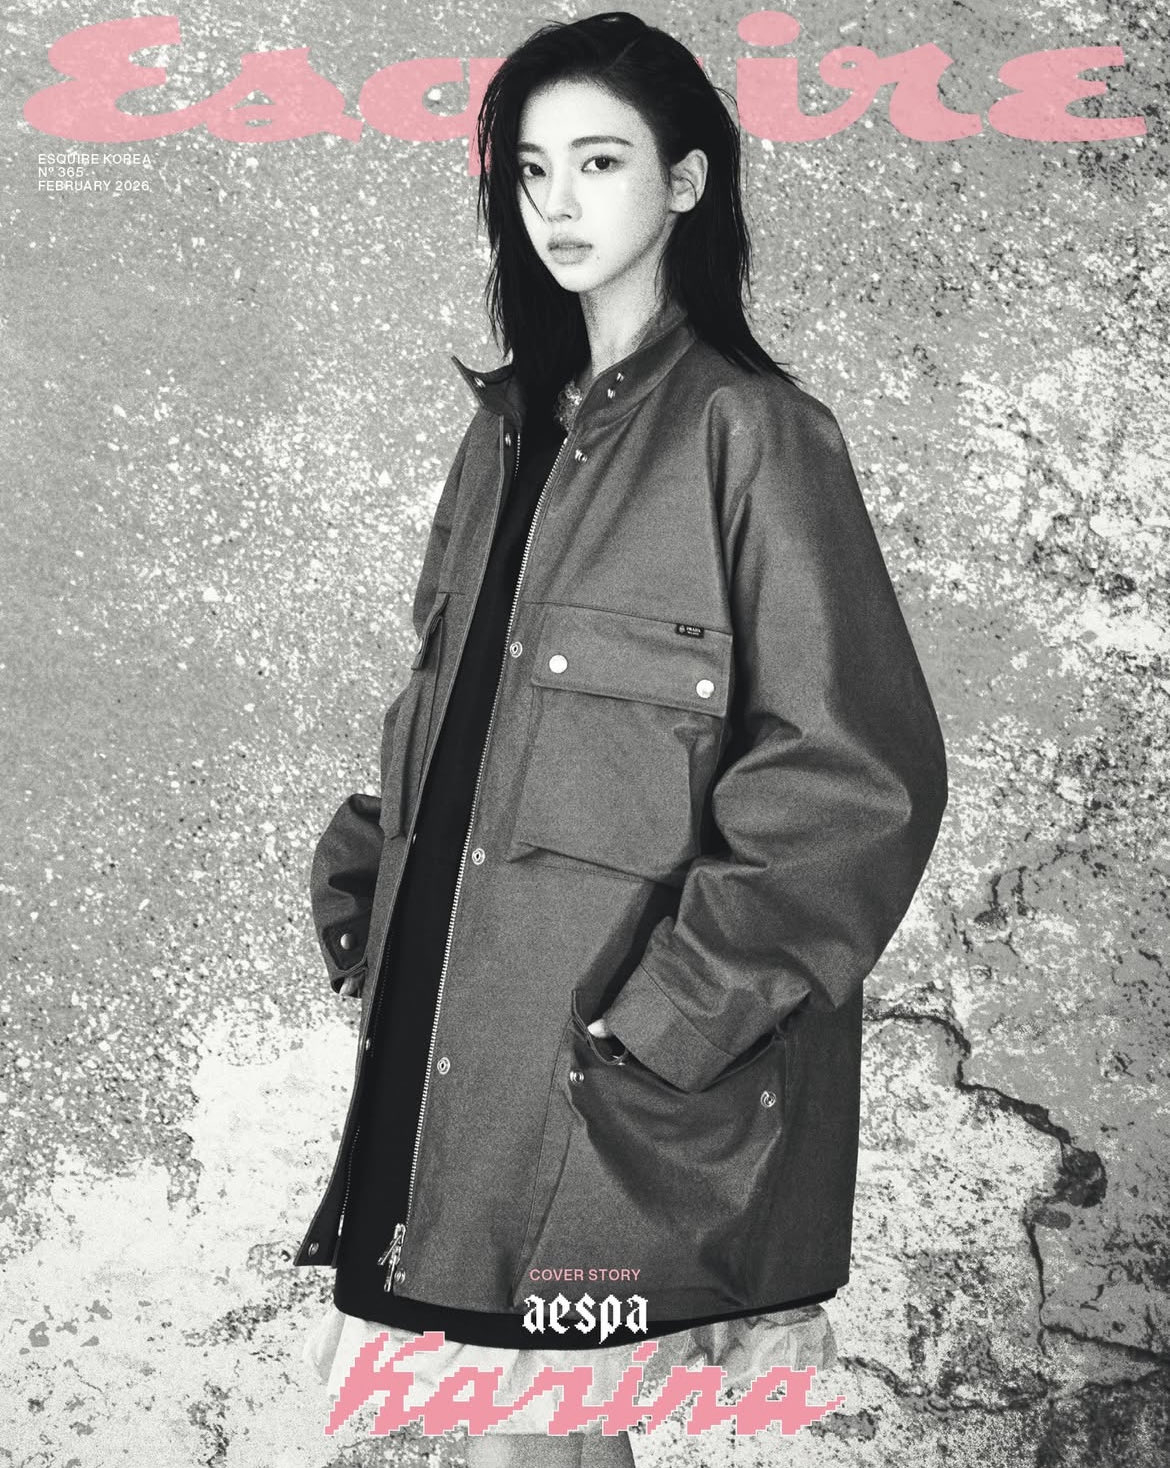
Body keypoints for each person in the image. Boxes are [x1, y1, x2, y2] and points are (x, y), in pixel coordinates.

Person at [296, 11, 948, 1463]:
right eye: (533, 171)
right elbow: (458, 719)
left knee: (535, 1441)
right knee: (508, 1438)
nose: (560, 204)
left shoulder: (753, 435)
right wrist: (370, 906)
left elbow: (854, 782)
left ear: (687, 181)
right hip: (453, 1048)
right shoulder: (501, 435)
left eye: (600, 162)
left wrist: (670, 1022)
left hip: (609, 1069)